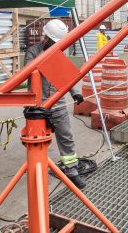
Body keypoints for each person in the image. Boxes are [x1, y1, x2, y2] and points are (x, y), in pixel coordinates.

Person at [26, 19, 86, 189]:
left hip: (57, 103)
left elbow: (65, 76)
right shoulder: (33, 51)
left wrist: (75, 93)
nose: (56, 45)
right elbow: (28, 72)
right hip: (37, 105)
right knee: (36, 140)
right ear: (46, 37)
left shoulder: (59, 53)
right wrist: (44, 56)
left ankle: (72, 171)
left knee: (66, 135)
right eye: (53, 42)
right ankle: (36, 167)